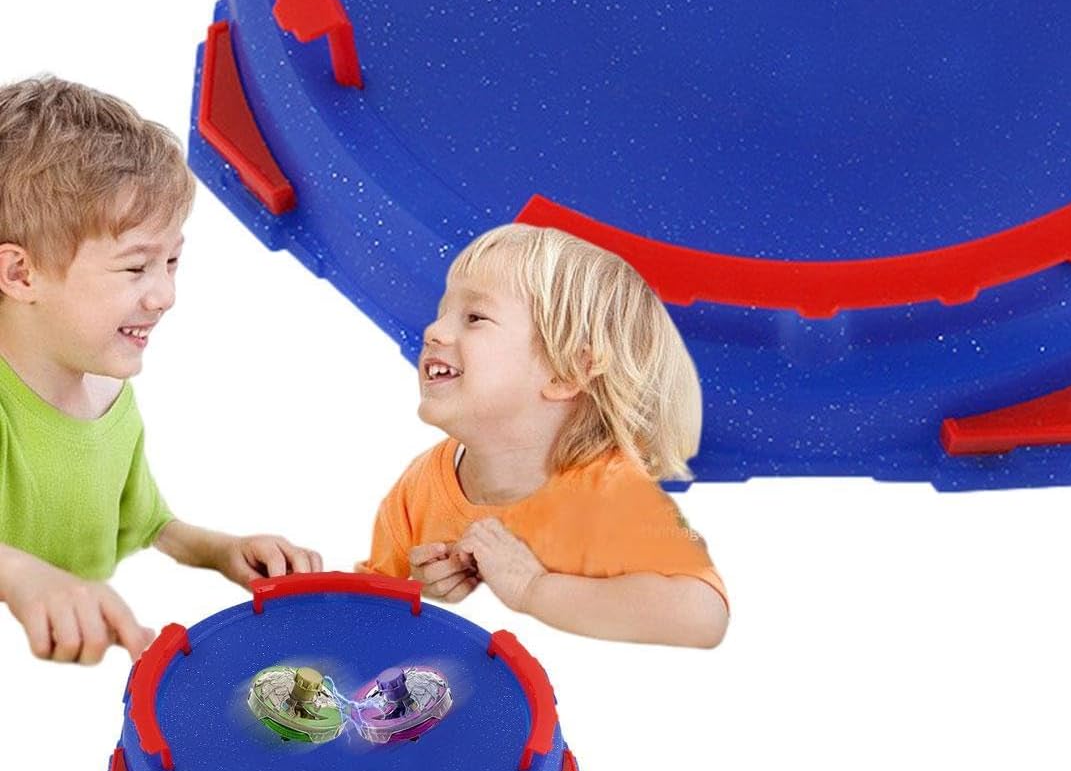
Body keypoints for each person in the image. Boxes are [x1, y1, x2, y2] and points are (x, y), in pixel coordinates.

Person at [0, 76, 323, 665]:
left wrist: (219, 550)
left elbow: (144, 522)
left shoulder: (108, 391)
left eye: (172, 261)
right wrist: (22, 576)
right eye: (135, 268)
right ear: (21, 275)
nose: (165, 295)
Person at [360, 222, 729, 648]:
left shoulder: (612, 491)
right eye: (443, 312)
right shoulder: (421, 485)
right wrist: (416, 589)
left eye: (474, 317)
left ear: (565, 373)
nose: (434, 331)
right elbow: (367, 611)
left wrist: (533, 588)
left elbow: (704, 615)